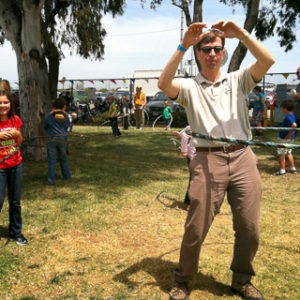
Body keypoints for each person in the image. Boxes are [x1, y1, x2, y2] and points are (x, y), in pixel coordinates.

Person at [158, 20, 275, 300]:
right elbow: (164, 84)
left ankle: (242, 280)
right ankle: (183, 280)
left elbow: (268, 59)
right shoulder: (189, 86)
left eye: (217, 49)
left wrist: (242, 34)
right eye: (206, 49)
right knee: (196, 227)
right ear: (198, 54)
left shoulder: (238, 79)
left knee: (249, 227)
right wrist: (183, 44)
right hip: (207, 160)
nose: (212, 53)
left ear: (223, 52)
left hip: (242, 157)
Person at [0, 92, 28, 245]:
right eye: (0, 103)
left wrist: (17, 134)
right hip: (0, 167)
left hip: (16, 164)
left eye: (5, 102)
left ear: (10, 104)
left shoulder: (15, 120)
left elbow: (20, 141)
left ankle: (16, 232)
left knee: (15, 201)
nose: (3, 106)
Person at [44, 98, 72, 185]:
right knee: (63, 158)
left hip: (52, 138)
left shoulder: (50, 116)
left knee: (52, 160)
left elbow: (45, 126)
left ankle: (51, 180)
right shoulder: (66, 116)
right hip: (63, 139)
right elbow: (68, 126)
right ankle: (67, 176)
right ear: (64, 106)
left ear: (54, 106)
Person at [172, 126, 195, 210]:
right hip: (192, 158)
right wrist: (177, 134)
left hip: (204, 158)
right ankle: (188, 203)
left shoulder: (206, 127)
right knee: (194, 180)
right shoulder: (189, 127)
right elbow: (181, 135)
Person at [273, 100, 297, 176]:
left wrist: (288, 135)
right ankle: (293, 169)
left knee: (281, 153)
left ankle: (282, 171)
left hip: (285, 138)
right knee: (289, 153)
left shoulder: (288, 116)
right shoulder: (292, 115)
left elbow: (294, 125)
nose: (282, 110)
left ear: (285, 108)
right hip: (289, 138)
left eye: (282, 108)